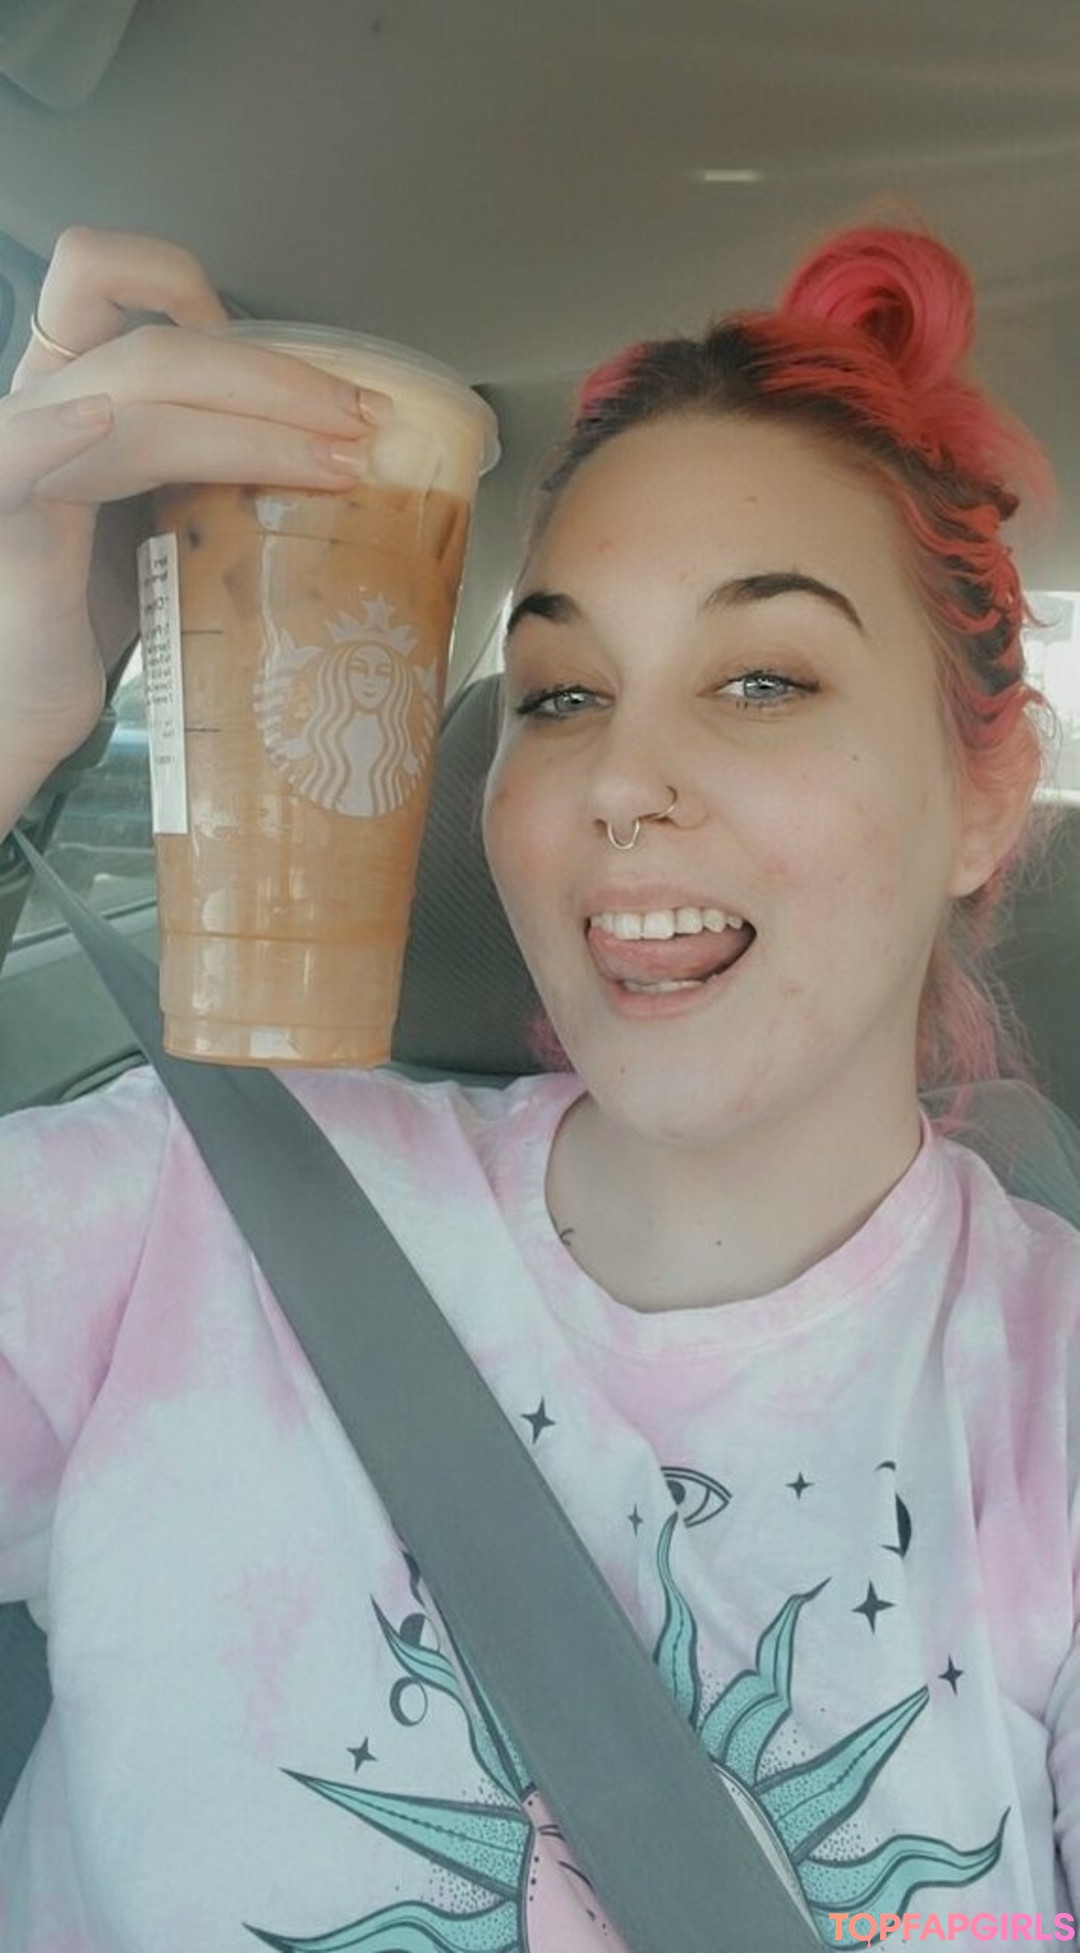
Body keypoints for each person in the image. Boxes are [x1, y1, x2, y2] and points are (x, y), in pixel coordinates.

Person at [0, 222, 1078, 1952]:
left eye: (763, 677)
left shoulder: (1051, 1409)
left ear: (984, 796)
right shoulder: (192, 1200)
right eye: (562, 692)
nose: (622, 778)